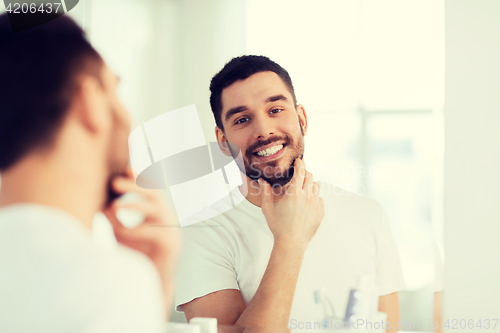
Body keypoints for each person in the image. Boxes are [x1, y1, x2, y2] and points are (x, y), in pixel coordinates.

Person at [174, 55, 406, 332]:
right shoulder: (200, 233)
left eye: (275, 110)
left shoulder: (369, 215)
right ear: (224, 142)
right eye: (243, 119)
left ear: (302, 119)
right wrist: (290, 240)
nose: (264, 130)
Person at [0, 13, 180, 333]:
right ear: (90, 100)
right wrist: (143, 287)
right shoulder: (109, 284)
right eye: (114, 89)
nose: (125, 112)